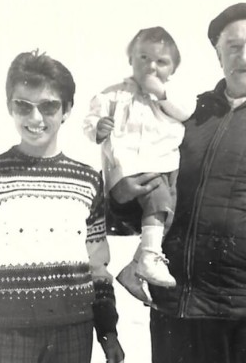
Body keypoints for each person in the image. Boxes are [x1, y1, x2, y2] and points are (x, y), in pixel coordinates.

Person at [109, 3, 246, 363]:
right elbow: (143, 193)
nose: (244, 57)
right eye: (233, 47)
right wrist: (121, 197)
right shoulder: (187, 114)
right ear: (219, 56)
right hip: (179, 313)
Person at [0, 50, 124, 363]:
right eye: (23, 106)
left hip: (73, 333)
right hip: (4, 334)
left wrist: (108, 332)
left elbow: (98, 266)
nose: (35, 118)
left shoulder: (88, 180)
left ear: (66, 110)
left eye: (49, 106)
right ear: (10, 108)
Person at [83, 26, 194, 291]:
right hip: (130, 166)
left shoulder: (169, 97)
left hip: (164, 164)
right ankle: (146, 260)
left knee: (168, 214)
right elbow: (89, 120)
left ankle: (138, 265)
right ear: (130, 58)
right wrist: (98, 127)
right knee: (159, 202)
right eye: (143, 58)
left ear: (173, 70)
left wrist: (163, 94)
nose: (151, 66)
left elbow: (185, 112)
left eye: (161, 62)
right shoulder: (113, 94)